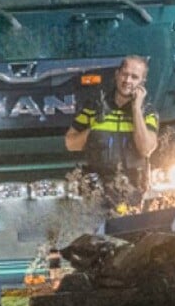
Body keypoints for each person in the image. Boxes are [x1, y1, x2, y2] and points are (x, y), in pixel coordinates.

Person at [65, 54, 160, 201]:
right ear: (117, 75)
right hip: (96, 192)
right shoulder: (94, 106)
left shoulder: (147, 111)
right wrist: (94, 131)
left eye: (134, 77)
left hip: (134, 190)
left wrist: (136, 109)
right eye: (124, 74)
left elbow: (146, 149)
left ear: (142, 82)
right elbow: (70, 143)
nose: (127, 81)